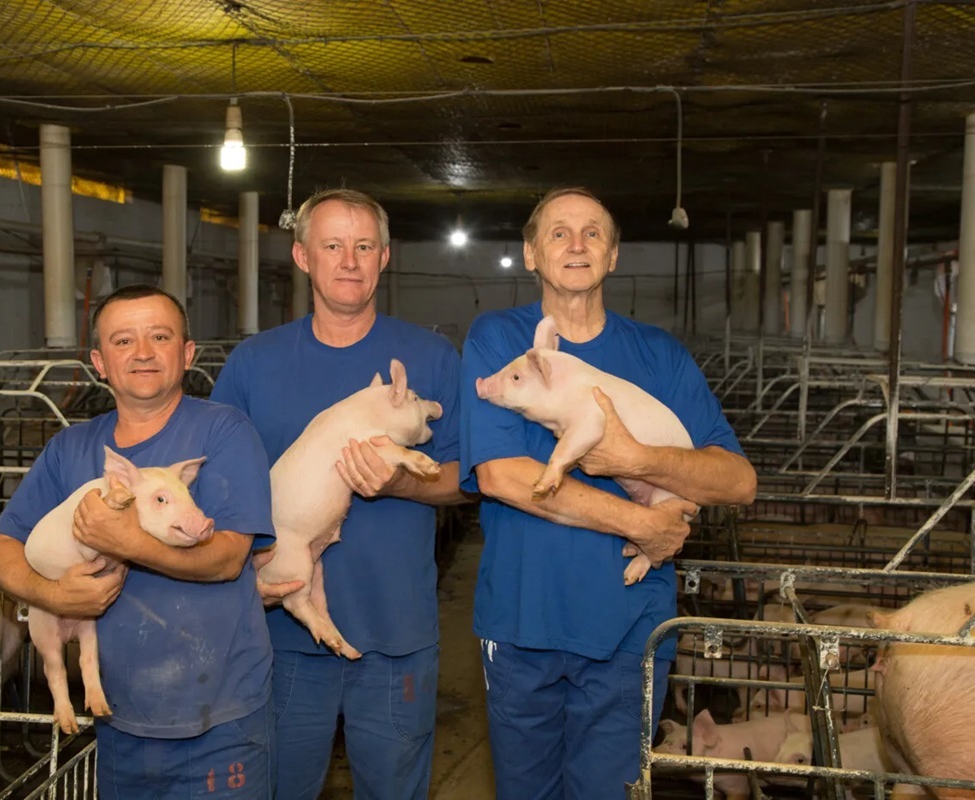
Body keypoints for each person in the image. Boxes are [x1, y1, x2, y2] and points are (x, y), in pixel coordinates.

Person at [459, 187, 757, 799]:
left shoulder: (660, 355)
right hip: (522, 621)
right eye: (559, 232)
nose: (577, 244)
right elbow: (500, 476)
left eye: (593, 232)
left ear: (614, 255)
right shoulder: (499, 339)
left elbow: (738, 481)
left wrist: (637, 459)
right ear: (530, 253)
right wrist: (639, 522)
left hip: (629, 631)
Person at [210, 188, 468, 800]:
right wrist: (239, 573)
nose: (349, 261)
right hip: (281, 631)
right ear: (302, 256)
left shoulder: (432, 357)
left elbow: (470, 479)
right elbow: (218, 490)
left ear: (385, 258)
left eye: (364, 247)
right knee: (279, 789)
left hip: (395, 632)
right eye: (332, 246)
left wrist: (400, 481)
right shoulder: (253, 363)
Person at [0, 284, 278, 799]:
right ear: (99, 362)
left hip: (221, 718)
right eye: (123, 341)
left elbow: (229, 557)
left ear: (187, 353)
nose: (142, 352)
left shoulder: (225, 433)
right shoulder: (70, 449)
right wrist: (53, 594)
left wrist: (126, 540)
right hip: (117, 718)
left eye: (160, 337)